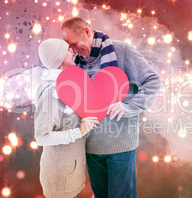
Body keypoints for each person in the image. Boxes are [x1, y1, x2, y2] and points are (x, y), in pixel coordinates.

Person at [61, 17, 162, 198]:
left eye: (75, 44)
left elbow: (153, 81)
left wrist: (129, 107)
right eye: (70, 46)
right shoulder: (76, 63)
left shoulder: (122, 50)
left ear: (86, 31)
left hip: (120, 147)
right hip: (91, 148)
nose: (74, 51)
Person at [34, 38, 99, 198]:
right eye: (67, 50)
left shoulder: (66, 85)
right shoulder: (50, 91)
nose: (73, 52)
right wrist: (79, 131)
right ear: (58, 57)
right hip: (59, 179)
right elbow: (42, 137)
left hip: (69, 175)